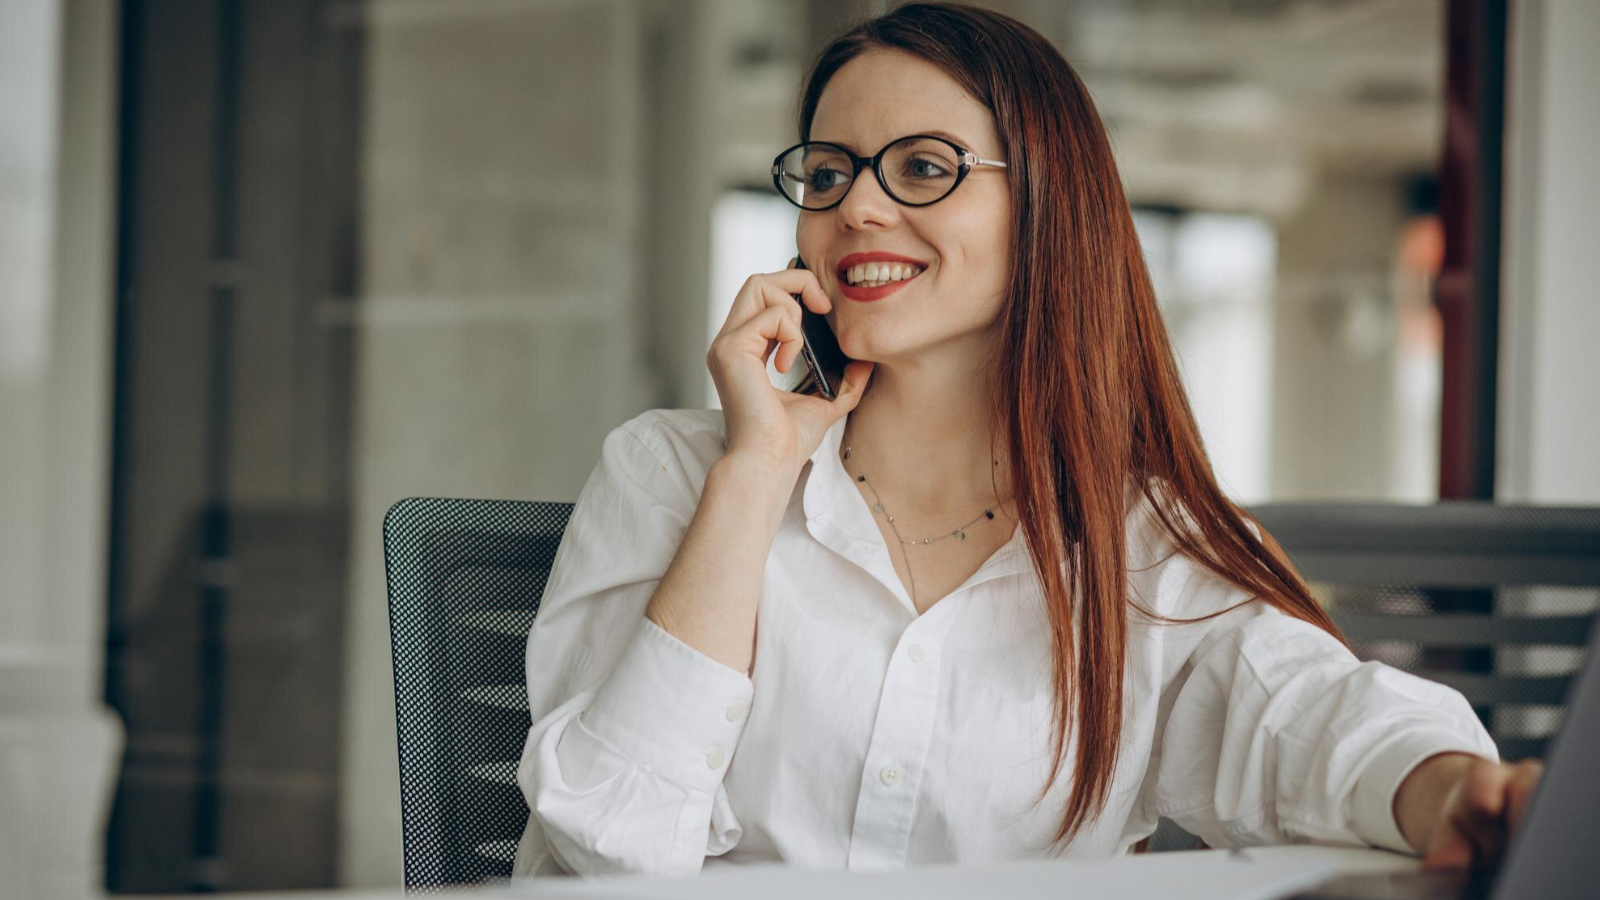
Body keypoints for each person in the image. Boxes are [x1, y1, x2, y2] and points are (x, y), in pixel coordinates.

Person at [512, 1, 1541, 879]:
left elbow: (1311, 719)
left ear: (1049, 207)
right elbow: (608, 855)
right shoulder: (668, 473)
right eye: (827, 174)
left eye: (922, 166)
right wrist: (755, 473)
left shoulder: (1145, 543)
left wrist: (1450, 788)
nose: (857, 205)